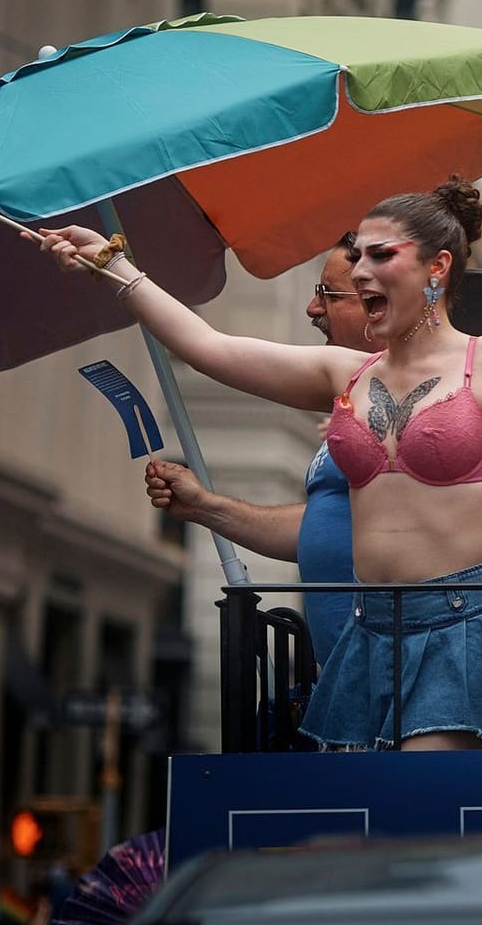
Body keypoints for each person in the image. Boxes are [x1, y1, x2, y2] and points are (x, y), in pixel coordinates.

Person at [35, 179, 482, 751]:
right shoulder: (344, 374)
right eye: (358, 255)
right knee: (364, 827)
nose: (361, 271)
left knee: (413, 802)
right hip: (367, 635)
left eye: (381, 255)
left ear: (437, 267)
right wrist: (113, 266)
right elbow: (206, 346)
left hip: (465, 625)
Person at [143, 233, 382, 667]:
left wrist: (117, 267)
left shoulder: (402, 389)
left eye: (326, 294)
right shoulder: (353, 391)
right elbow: (324, 528)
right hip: (349, 674)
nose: (312, 309)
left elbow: (208, 349)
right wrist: (206, 507)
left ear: (377, 303)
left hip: (400, 677)